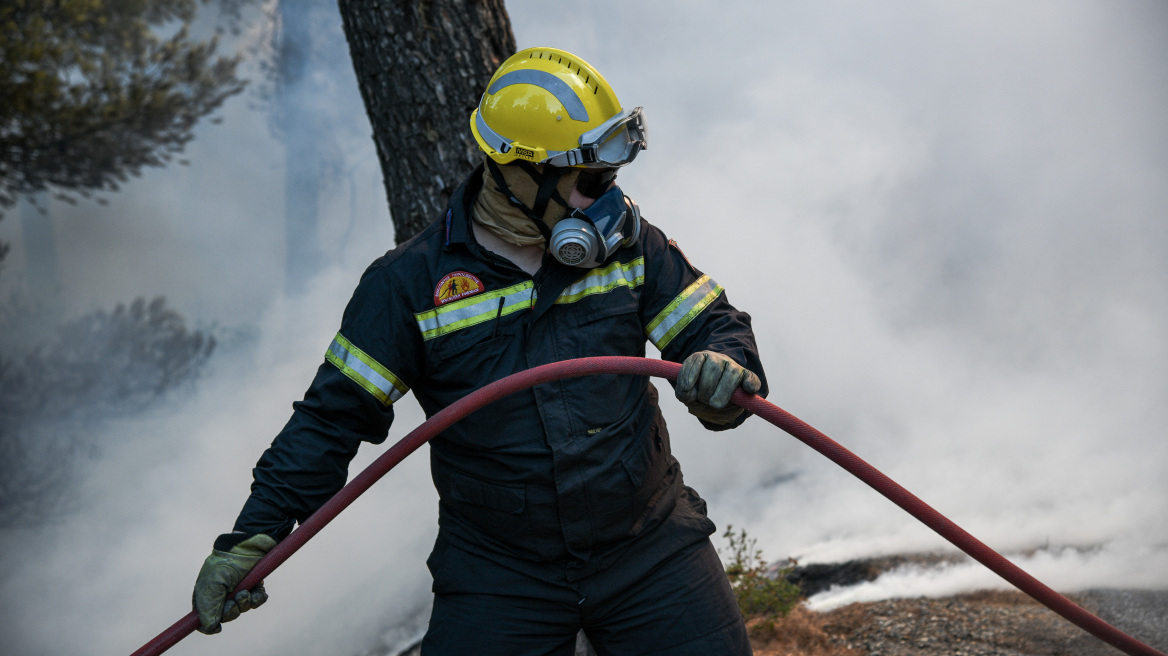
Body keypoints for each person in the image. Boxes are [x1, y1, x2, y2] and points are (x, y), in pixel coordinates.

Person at [193, 47, 768, 655]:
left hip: (651, 546)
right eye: (590, 181)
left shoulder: (631, 248)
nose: (607, 200)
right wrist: (253, 536)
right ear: (520, 174)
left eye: (612, 178)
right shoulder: (407, 286)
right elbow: (330, 421)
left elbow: (715, 326)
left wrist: (725, 374)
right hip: (501, 575)